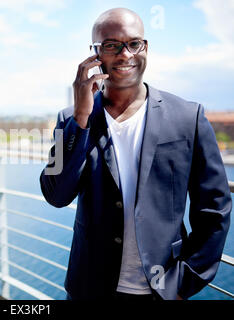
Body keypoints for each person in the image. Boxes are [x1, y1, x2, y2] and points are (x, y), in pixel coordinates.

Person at [39, 8, 231, 300]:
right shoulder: (72, 119)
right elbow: (56, 195)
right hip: (90, 289)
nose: (125, 54)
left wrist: (183, 284)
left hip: (159, 292)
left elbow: (214, 209)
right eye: (111, 45)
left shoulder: (187, 117)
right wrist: (80, 117)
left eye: (133, 43)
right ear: (94, 53)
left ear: (146, 47)